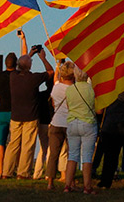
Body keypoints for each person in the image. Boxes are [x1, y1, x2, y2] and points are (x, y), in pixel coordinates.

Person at [3, 47, 54, 179]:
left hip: (16, 116)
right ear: (30, 65)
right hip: (30, 116)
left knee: (12, 144)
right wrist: (42, 58)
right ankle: (23, 173)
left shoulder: (13, 77)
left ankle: (6, 172)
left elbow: (20, 67)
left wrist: (29, 54)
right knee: (27, 145)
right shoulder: (34, 78)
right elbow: (50, 72)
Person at [64, 66, 97, 194]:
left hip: (72, 122)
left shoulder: (70, 90)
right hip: (88, 122)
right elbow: (98, 109)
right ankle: (87, 187)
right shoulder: (92, 90)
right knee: (87, 156)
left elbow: (68, 106)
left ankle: (67, 185)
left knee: (72, 155)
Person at [46, 61, 73, 191]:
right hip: (70, 123)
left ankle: (50, 182)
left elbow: (53, 103)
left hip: (56, 122)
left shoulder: (56, 87)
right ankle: (69, 182)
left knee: (53, 154)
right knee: (71, 155)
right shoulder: (74, 90)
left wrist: (57, 67)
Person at [0, 51, 18, 179]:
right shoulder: (18, 76)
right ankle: (11, 170)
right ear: (16, 64)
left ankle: (0, 171)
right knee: (14, 143)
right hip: (15, 113)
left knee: (0, 143)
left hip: (1, 113)